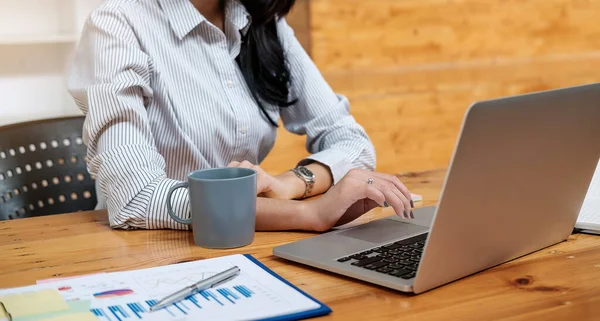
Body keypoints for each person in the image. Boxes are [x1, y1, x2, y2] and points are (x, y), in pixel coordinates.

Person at [67, 0, 414, 232]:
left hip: (246, 244)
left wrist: (290, 185)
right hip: (148, 248)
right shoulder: (116, 24)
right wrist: (308, 214)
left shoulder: (260, 22)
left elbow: (351, 141)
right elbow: (136, 199)